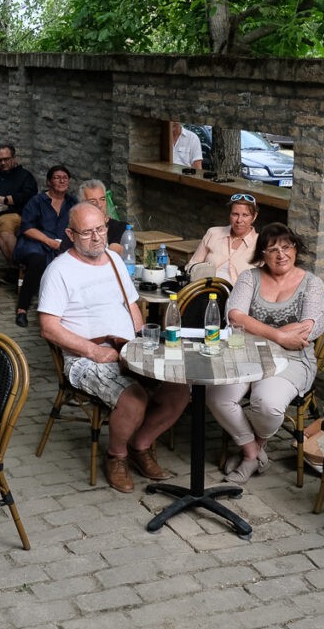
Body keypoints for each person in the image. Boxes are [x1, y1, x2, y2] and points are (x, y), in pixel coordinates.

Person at [39, 203, 190, 493]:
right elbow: (48, 328)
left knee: (179, 389)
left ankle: (140, 445)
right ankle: (116, 456)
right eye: (87, 232)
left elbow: (131, 305)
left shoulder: (113, 259)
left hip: (126, 349)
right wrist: (93, 351)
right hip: (85, 358)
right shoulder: (59, 271)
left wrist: (140, 342)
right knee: (133, 399)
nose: (96, 237)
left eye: (100, 229)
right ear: (70, 234)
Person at [206, 222, 324, 484]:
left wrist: (256, 328)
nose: (280, 254)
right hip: (245, 353)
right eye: (272, 249)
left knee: (267, 404)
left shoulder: (312, 284)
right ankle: (252, 452)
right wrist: (280, 336)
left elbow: (308, 328)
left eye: (286, 247)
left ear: (296, 249)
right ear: (262, 254)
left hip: (291, 359)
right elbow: (235, 316)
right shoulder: (249, 278)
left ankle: (256, 446)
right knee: (217, 396)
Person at [13, 165, 77, 328]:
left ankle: (66, 312)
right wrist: (49, 242)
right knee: (38, 261)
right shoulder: (37, 201)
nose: (62, 181)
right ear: (49, 182)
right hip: (35, 243)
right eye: (57, 177)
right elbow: (27, 228)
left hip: (61, 246)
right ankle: (22, 309)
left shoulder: (73, 203)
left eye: (65, 178)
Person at [185, 193, 261, 283]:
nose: (239, 220)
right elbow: (192, 264)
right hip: (205, 287)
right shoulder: (213, 233)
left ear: (254, 216)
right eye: (235, 214)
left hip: (238, 291)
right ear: (229, 214)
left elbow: (264, 281)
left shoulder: (261, 243)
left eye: (245, 215)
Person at [73, 179, 125, 255]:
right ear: (82, 204)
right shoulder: (76, 230)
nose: (99, 204)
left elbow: (112, 255)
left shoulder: (120, 227)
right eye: (93, 201)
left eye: (102, 199)